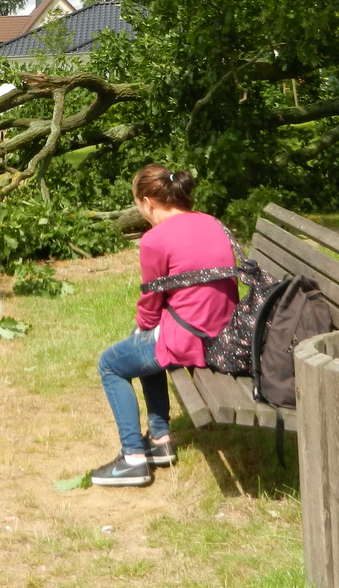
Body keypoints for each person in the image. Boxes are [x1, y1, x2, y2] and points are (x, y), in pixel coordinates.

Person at [91, 164, 239, 487]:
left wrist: (142, 328)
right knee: (144, 341)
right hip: (225, 331)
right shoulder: (211, 222)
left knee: (110, 364)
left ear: (148, 202)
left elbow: (150, 305)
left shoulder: (155, 239)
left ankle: (133, 459)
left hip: (193, 338)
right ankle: (160, 440)